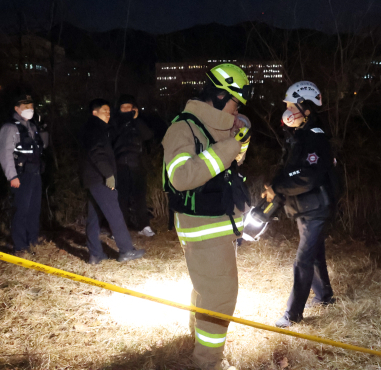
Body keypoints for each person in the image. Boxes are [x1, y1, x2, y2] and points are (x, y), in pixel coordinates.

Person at [162, 63, 253, 370]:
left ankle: (198, 339)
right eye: (234, 102)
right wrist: (228, 147)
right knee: (220, 297)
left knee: (207, 288)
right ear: (217, 96)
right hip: (204, 228)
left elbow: (227, 166)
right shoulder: (182, 128)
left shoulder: (216, 127)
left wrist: (239, 139)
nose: (236, 109)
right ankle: (208, 363)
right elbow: (181, 176)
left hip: (218, 226)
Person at [262, 81, 337, 328]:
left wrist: (279, 188)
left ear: (305, 107)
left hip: (316, 208)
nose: (287, 111)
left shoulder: (315, 138)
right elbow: (289, 171)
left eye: (290, 105)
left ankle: (292, 314)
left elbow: (308, 176)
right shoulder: (300, 136)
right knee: (314, 254)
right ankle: (325, 296)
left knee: (303, 260)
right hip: (304, 207)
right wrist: (275, 189)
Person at [80, 99, 145, 265]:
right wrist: (108, 174)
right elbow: (97, 152)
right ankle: (126, 250)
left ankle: (95, 254)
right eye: (104, 111)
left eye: (109, 111)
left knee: (94, 218)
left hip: (93, 179)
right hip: (100, 178)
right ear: (95, 112)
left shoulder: (96, 128)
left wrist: (132, 117)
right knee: (115, 214)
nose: (108, 114)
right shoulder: (95, 128)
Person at [0, 94, 48, 257]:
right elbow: (5, 153)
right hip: (21, 175)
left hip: (35, 174)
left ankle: (32, 240)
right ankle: (20, 245)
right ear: (16, 109)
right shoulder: (10, 127)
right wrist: (12, 176)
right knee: (21, 211)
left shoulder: (32, 126)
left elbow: (43, 146)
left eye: (31, 107)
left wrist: (44, 129)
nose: (29, 110)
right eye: (25, 107)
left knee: (34, 209)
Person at [113, 94, 155, 237]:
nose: (125, 110)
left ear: (134, 108)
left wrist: (136, 119)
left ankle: (144, 226)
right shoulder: (115, 122)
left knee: (139, 197)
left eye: (128, 107)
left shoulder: (139, 122)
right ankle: (120, 228)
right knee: (121, 198)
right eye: (123, 107)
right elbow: (111, 139)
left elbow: (148, 135)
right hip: (120, 165)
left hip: (137, 164)